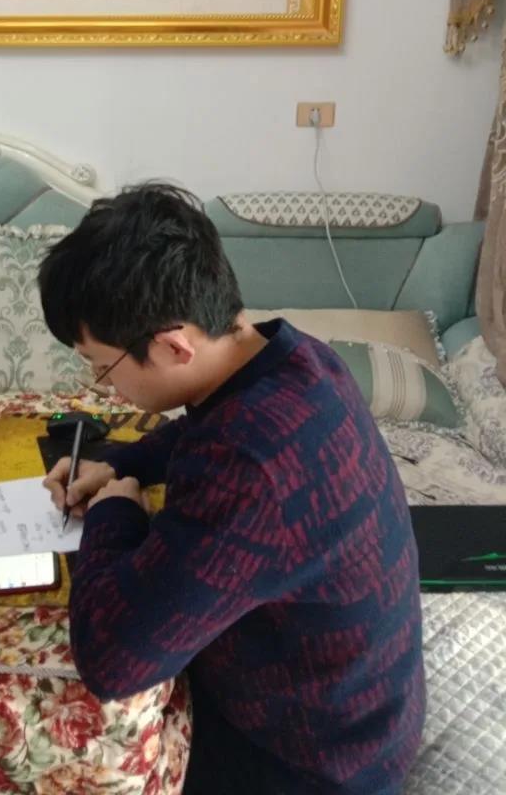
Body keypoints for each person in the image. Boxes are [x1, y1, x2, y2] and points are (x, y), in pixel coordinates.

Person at [39, 183, 425, 795]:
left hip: (312, 766)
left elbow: (112, 662)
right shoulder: (297, 358)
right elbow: (204, 430)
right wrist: (117, 464)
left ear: (173, 346)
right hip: (369, 716)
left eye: (100, 366)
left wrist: (115, 513)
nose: (103, 387)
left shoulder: (249, 470)